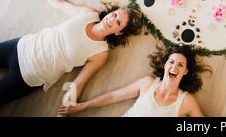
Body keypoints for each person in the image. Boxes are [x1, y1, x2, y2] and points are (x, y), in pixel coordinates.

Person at [0, 0, 143, 109]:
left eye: (118, 23)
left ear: (119, 33)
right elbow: (60, 4)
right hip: (22, 46)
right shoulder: (89, 14)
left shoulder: (101, 53)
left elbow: (78, 84)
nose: (112, 19)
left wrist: (69, 105)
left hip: (31, 74)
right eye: (115, 14)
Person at [57, 45, 212, 117]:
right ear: (165, 66)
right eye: (171, 62)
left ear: (185, 71)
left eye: (180, 65)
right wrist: (80, 107)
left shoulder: (186, 101)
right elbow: (112, 97)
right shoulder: (148, 83)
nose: (174, 67)